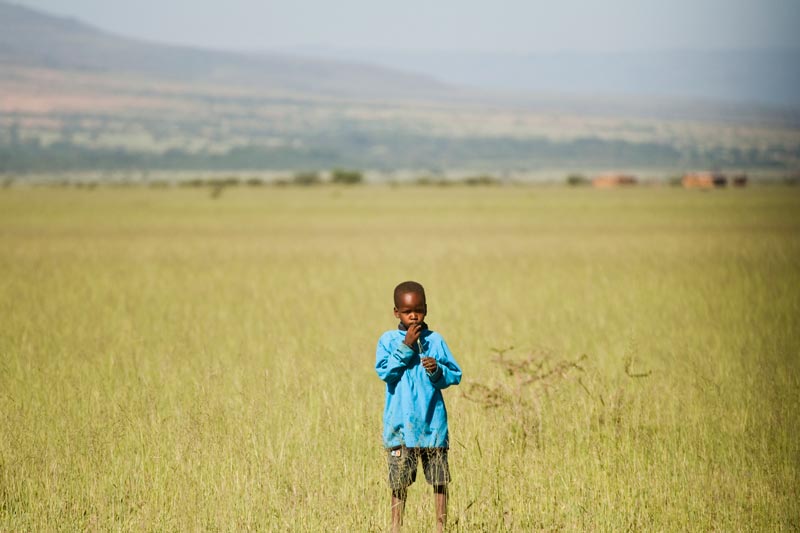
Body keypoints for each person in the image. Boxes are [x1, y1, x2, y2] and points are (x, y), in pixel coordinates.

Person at [375, 281, 462, 533]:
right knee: (398, 483)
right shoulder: (388, 341)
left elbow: (455, 375)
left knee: (439, 481)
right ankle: (395, 527)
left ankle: (440, 526)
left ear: (426, 309)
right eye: (406, 311)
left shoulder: (435, 340)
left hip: (432, 427)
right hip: (400, 429)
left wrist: (438, 371)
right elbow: (385, 372)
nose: (413, 315)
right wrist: (407, 347)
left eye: (419, 310)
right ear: (396, 313)